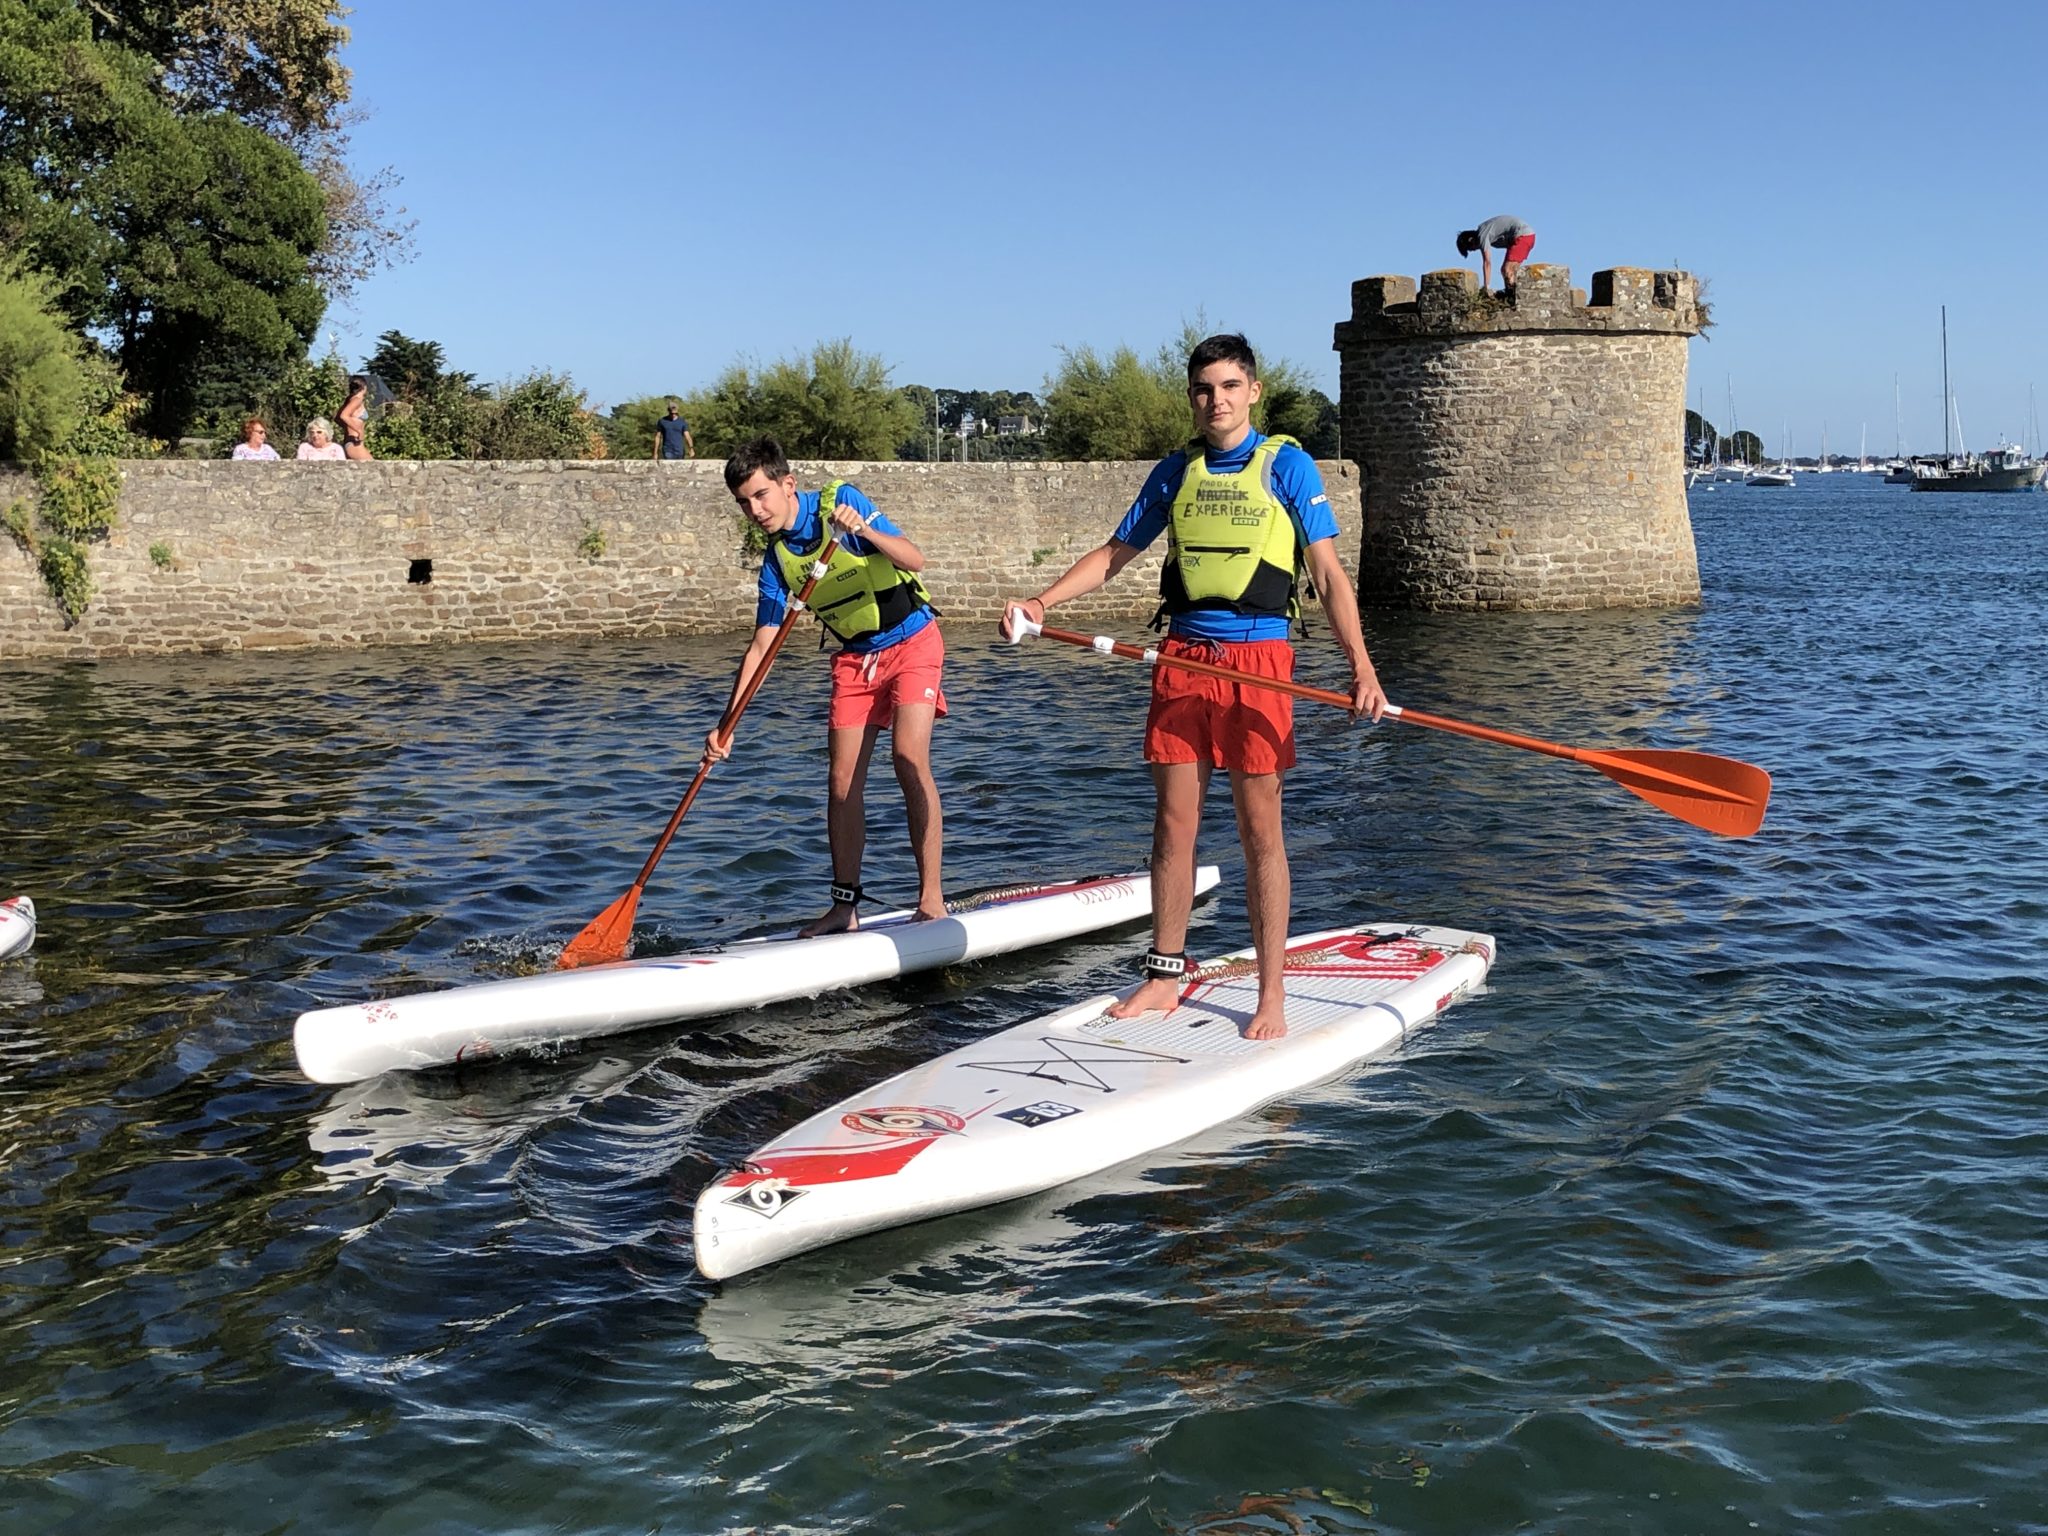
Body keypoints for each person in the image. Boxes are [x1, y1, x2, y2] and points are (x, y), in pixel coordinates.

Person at [1001, 333, 1385, 1042]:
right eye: (1205, 389)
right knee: (1173, 826)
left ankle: (1271, 994)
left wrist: (1361, 667)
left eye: (1231, 387)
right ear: (1193, 397)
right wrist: (1042, 602)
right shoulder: (1176, 471)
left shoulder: (1288, 467)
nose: (1218, 401)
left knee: (1258, 830)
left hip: (1258, 662)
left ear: (1254, 391)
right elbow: (1116, 554)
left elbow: (1329, 576)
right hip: (1181, 657)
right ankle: (1163, 976)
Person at [705, 436, 947, 936]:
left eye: (761, 496)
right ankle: (844, 907)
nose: (755, 510)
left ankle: (931, 898)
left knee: (908, 756)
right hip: (855, 661)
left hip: (913, 644)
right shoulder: (777, 563)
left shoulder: (841, 502)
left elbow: (914, 559)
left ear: (788, 484)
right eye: (744, 503)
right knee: (840, 782)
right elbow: (761, 648)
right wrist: (725, 726)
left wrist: (865, 532)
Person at [1456, 214, 1535, 295]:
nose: (1474, 250)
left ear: (1471, 240)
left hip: (1523, 236)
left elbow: (1487, 262)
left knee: (1508, 270)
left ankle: (1513, 295)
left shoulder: (1482, 234)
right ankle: (1510, 294)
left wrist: (1486, 287)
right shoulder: (1489, 234)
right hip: (1524, 236)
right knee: (1505, 270)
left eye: (1470, 248)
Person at [338, 375, 374, 460]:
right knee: (375, 468)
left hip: (354, 442)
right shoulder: (357, 399)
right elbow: (343, 415)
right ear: (364, 386)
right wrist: (358, 430)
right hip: (354, 442)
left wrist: (348, 427)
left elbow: (337, 419)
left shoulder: (350, 399)